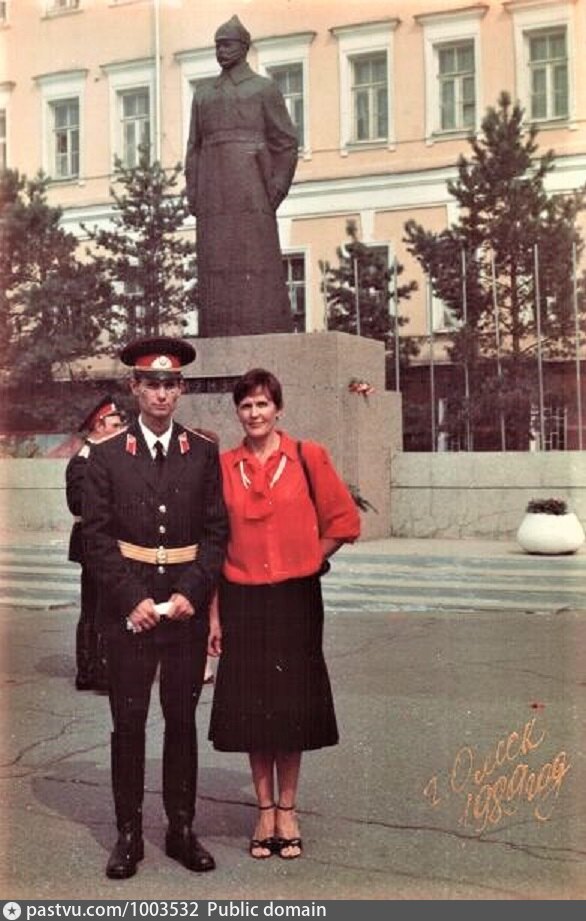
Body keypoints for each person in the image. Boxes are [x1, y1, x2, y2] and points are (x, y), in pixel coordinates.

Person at [82, 336, 229, 880]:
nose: (161, 394)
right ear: (135, 388)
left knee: (181, 721)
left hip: (184, 609)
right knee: (128, 722)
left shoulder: (203, 452)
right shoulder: (106, 456)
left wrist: (192, 592)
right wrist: (133, 599)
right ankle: (128, 834)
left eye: (170, 384)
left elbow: (215, 533)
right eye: (151, 384)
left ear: (181, 389)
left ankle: (181, 829)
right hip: (132, 610)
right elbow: (97, 537)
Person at [207, 368, 360, 860]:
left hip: (296, 598)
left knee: (292, 704)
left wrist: (310, 559)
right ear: (238, 412)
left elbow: (343, 521)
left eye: (262, 404)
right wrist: (213, 616)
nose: (254, 413)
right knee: (253, 707)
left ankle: (288, 810)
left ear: (278, 409)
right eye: (246, 405)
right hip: (242, 599)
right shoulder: (224, 467)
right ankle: (264, 810)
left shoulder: (307, 457)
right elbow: (214, 546)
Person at [185, 15, 298, 337]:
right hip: (212, 191)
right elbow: (194, 146)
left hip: (252, 188)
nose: (221, 51)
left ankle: (263, 328)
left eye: (227, 44)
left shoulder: (263, 89)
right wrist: (194, 191)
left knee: (256, 260)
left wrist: (276, 188)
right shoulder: (203, 94)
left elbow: (286, 142)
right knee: (215, 262)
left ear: (244, 47)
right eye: (217, 45)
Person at [65, 395, 126, 692]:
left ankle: (96, 669)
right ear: (99, 425)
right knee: (95, 607)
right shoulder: (82, 461)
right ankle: (91, 671)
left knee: (102, 605)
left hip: (104, 541)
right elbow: (77, 504)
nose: (120, 430)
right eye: (115, 425)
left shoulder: (104, 458)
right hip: (91, 543)